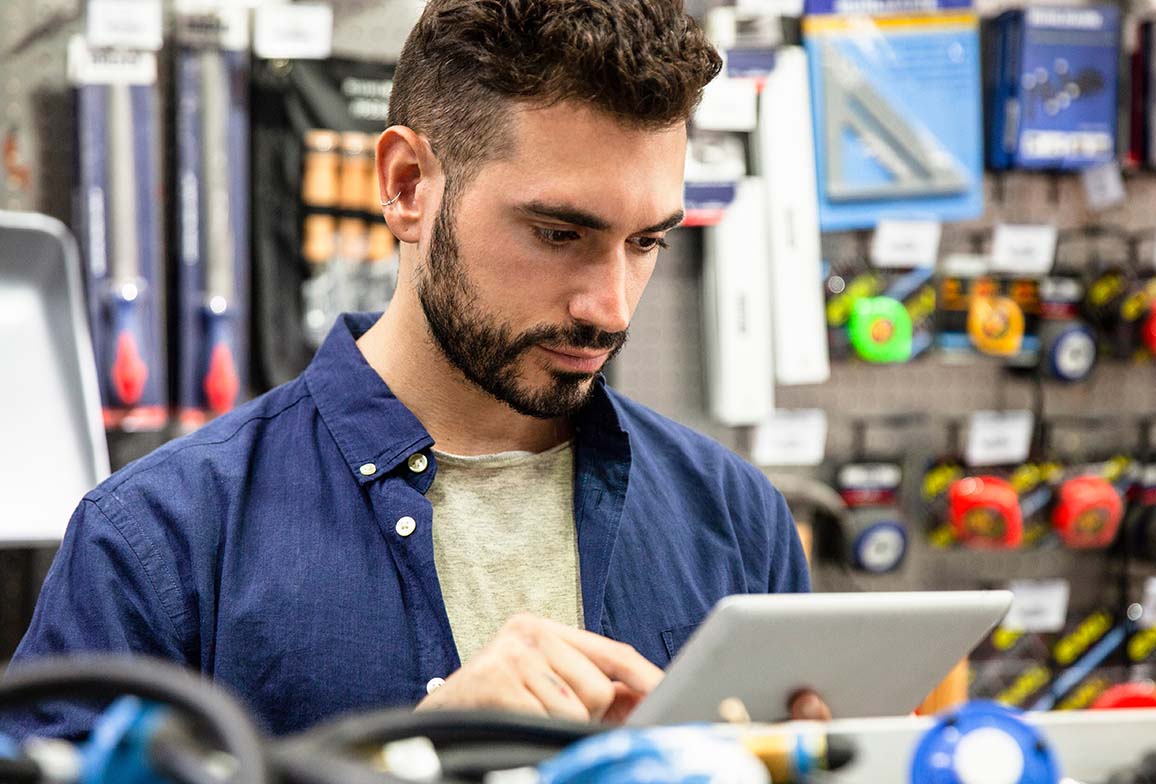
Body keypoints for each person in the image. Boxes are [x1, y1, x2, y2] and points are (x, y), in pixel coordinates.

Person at [2, 0, 819, 738]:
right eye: (559, 233)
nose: (610, 308)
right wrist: (403, 761)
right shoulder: (162, 536)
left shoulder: (734, 518)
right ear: (406, 186)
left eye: (646, 243)